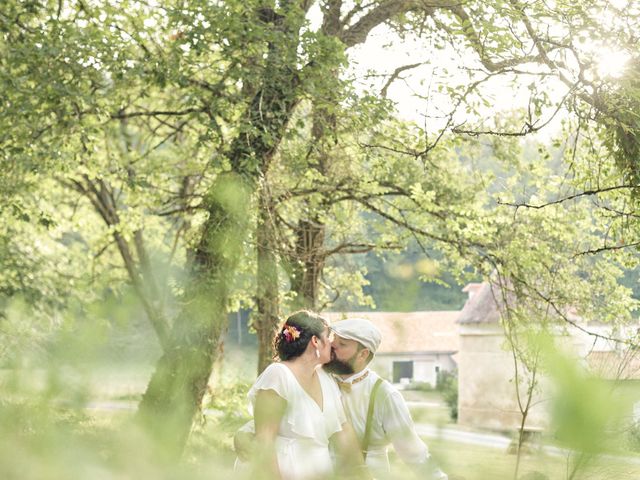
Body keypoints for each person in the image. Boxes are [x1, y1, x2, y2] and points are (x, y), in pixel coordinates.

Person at [239, 311, 365, 480]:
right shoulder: (278, 375)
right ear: (315, 341)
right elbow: (265, 441)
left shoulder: (326, 379)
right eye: (328, 337)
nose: (332, 344)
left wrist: (362, 472)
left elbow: (344, 432)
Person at [324, 318, 448, 480]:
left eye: (343, 344)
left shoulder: (386, 395)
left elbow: (411, 450)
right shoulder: (321, 380)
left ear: (362, 354)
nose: (332, 346)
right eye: (334, 340)